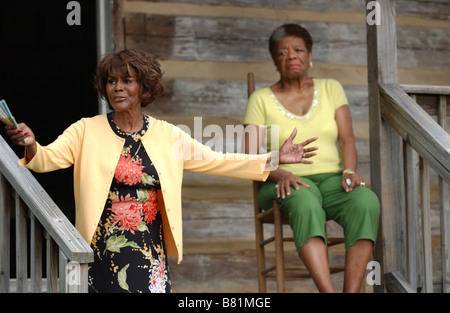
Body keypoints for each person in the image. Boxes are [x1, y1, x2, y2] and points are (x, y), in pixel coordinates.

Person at [5, 49, 318, 293]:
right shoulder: (86, 130)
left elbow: (217, 160)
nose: (118, 88)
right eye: (111, 81)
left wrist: (273, 158)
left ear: (144, 87)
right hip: (103, 248)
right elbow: (47, 159)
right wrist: (31, 145)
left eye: (127, 80)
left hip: (150, 249)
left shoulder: (168, 134)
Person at [243, 24, 380, 293]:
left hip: (332, 181)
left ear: (310, 55)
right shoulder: (260, 99)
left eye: (297, 49)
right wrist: (279, 171)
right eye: (281, 52)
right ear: (274, 61)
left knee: (366, 200)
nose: (290, 56)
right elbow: (248, 157)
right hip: (279, 181)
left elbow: (346, 139)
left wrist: (349, 171)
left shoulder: (331, 88)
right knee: (304, 201)